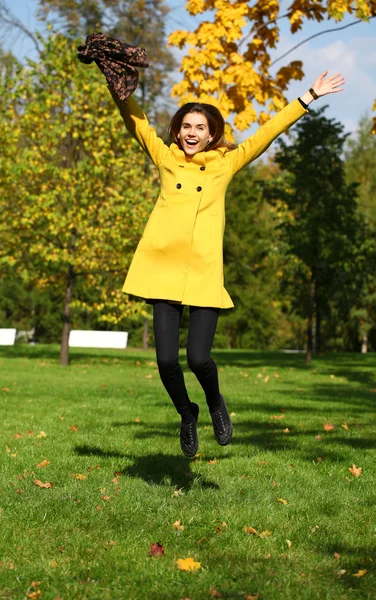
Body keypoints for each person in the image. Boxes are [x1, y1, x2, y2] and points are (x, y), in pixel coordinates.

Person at [110, 70, 344, 457]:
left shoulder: (225, 163)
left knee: (198, 358)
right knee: (167, 360)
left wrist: (309, 96)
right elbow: (136, 122)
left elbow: (265, 134)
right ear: (177, 130)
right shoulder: (164, 157)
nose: (191, 133)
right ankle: (188, 414)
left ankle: (216, 403)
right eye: (186, 125)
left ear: (211, 134)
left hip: (203, 271)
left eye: (200, 127)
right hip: (163, 268)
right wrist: (118, 91)